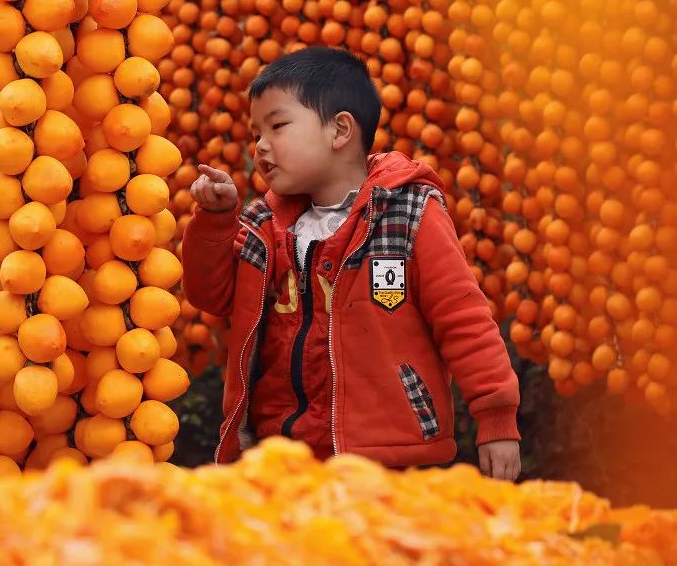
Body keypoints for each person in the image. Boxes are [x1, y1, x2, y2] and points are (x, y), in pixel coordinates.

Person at [182, 46, 522, 480]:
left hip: (386, 459)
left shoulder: (408, 214)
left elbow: (463, 318)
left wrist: (496, 420)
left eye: (278, 126)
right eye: (256, 134)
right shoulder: (263, 226)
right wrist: (215, 221)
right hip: (282, 461)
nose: (261, 146)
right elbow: (209, 294)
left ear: (340, 130)